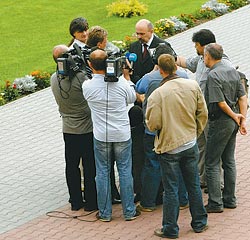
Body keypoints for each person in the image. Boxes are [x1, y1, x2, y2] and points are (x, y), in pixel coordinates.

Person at [146, 54, 208, 239]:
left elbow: (152, 124)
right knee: (193, 184)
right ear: (175, 67)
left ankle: (171, 228)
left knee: (171, 189)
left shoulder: (158, 94)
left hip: (169, 147)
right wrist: (194, 132)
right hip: (190, 142)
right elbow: (202, 113)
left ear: (161, 70)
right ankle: (199, 222)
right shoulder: (192, 85)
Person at [82, 49, 139, 222]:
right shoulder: (121, 83)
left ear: (90, 65)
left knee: (102, 172)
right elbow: (131, 99)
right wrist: (126, 77)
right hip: (121, 133)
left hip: (101, 135)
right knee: (125, 171)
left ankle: (105, 213)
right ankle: (129, 211)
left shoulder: (87, 85)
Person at [136, 43, 189, 212]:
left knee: (152, 164)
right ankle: (182, 200)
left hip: (153, 129)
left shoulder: (149, 77)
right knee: (179, 164)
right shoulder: (183, 75)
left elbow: (138, 89)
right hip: (177, 127)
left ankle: (148, 203)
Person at [177, 29, 231, 189]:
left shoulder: (223, 64)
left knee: (214, 148)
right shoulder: (201, 59)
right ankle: (203, 178)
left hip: (213, 112)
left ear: (204, 47)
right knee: (201, 145)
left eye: (196, 45)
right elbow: (188, 63)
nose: (195, 48)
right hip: (200, 111)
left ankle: (217, 183)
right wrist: (171, 58)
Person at [50, 45, 97, 212]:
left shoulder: (54, 78)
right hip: (86, 130)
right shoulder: (81, 78)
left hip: (68, 130)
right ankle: (91, 202)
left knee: (71, 166)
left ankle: (75, 201)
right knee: (90, 166)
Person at [203, 43, 247, 213]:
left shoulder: (213, 75)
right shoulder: (232, 71)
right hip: (233, 121)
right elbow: (242, 97)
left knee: (212, 162)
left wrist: (234, 116)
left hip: (221, 121)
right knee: (229, 160)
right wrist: (241, 119)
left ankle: (215, 202)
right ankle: (230, 198)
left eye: (204, 56)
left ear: (208, 56)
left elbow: (220, 102)